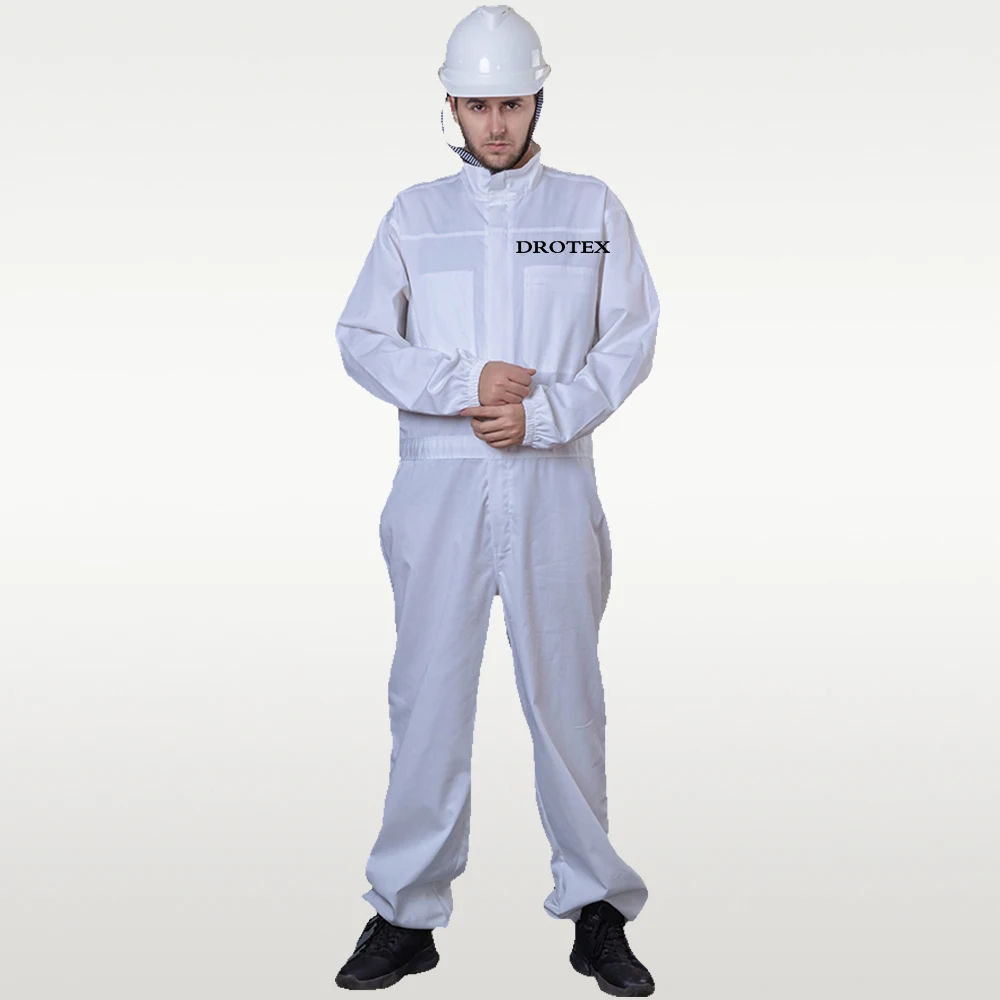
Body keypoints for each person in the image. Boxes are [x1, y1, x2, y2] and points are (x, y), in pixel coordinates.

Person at [333, 5, 659, 994]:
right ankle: (406, 912)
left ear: (537, 100)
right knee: (427, 697)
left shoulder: (590, 210)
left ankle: (596, 907)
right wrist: (462, 383)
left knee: (568, 700)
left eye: (510, 104)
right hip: (438, 484)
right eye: (477, 106)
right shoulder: (413, 215)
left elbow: (631, 337)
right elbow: (360, 338)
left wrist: (549, 413)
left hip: (552, 482)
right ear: (451, 106)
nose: (495, 123)